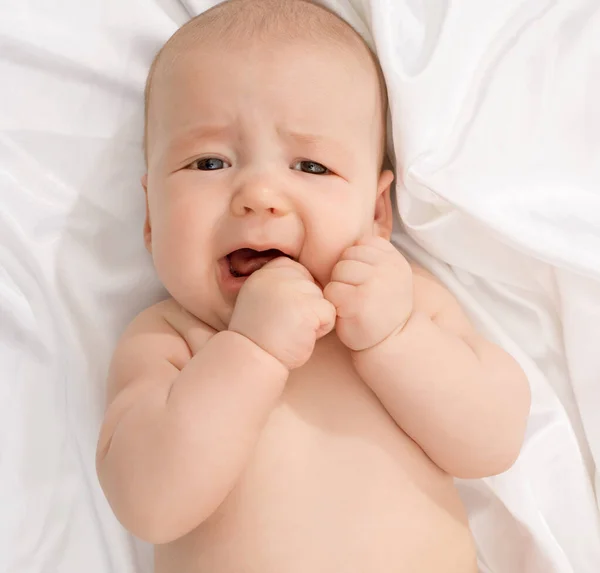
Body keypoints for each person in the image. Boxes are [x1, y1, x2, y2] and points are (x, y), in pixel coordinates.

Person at [96, 1, 531, 571]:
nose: (258, 194)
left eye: (310, 166)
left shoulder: (405, 303)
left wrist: (395, 339)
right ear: (151, 216)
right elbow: (149, 504)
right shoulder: (168, 340)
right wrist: (251, 351)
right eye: (208, 163)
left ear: (377, 211)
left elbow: (492, 444)